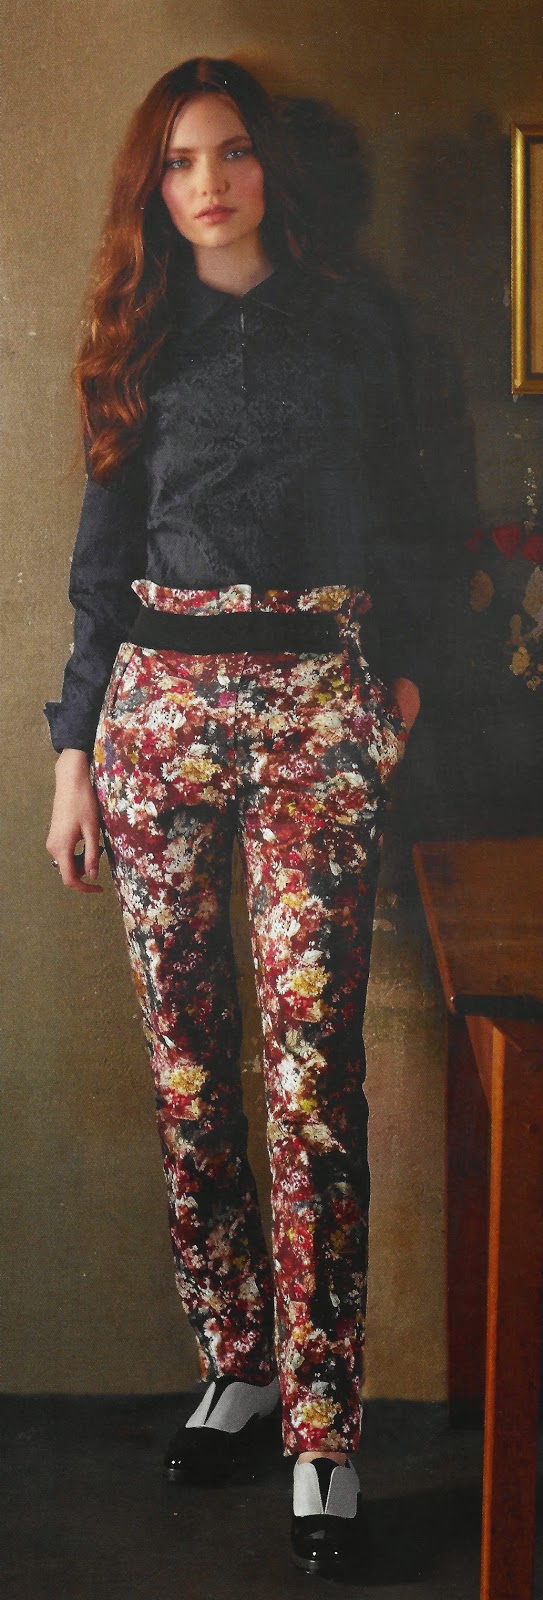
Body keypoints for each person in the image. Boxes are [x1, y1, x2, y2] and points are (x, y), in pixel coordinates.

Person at [44, 55, 423, 1579]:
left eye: (233, 153)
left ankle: (327, 1425)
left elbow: (414, 510)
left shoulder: (358, 326)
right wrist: (73, 755)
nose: (209, 183)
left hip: (318, 710)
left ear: (271, 167)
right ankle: (240, 1361)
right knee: (192, 1068)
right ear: (155, 185)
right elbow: (100, 566)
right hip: (154, 719)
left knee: (312, 1072)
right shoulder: (135, 335)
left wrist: (401, 686)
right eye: (181, 160)